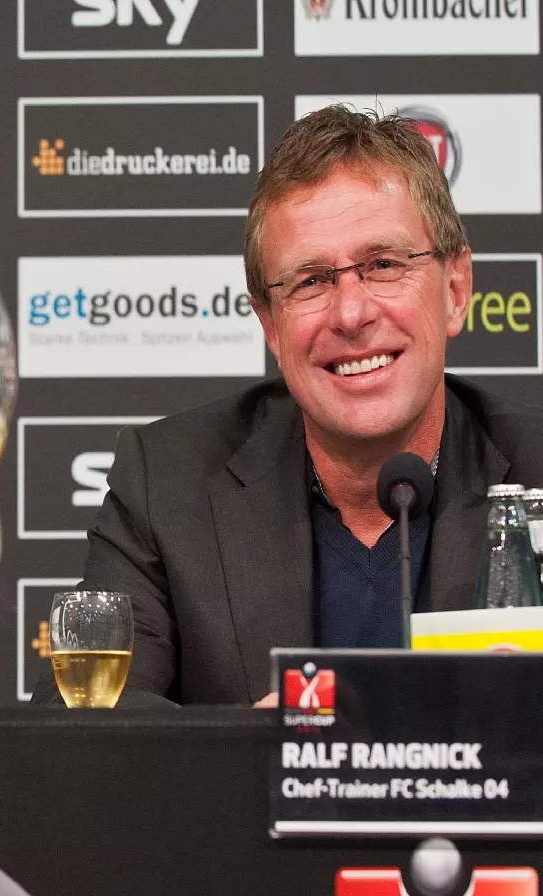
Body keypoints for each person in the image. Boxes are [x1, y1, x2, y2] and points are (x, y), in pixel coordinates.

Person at [35, 105, 543, 707]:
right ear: (270, 327)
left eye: (383, 265)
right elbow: (86, 722)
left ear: (455, 291)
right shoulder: (167, 483)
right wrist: (256, 755)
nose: (351, 314)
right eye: (310, 281)